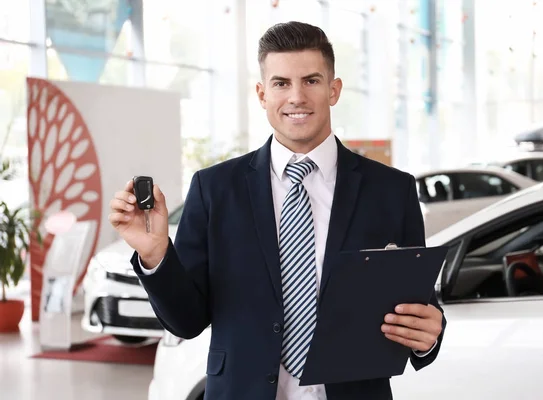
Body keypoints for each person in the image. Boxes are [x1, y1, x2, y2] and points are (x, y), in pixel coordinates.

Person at [109, 21, 445, 400]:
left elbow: (419, 305)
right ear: (262, 93)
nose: (296, 97)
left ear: (333, 90)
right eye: (281, 83)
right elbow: (186, 322)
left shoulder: (390, 190)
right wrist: (155, 255)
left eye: (312, 81)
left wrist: (427, 338)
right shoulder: (215, 189)